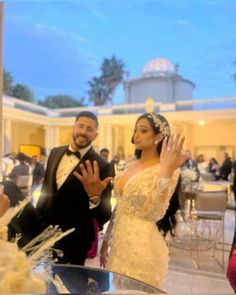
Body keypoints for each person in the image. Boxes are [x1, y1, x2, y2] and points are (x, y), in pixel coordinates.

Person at [78, 112, 187, 289]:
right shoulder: (131, 164)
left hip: (143, 248)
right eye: (135, 130)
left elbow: (155, 213)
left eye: (143, 130)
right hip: (120, 244)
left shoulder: (168, 169)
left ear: (159, 136)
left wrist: (166, 171)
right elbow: (121, 206)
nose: (136, 134)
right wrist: (106, 240)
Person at [36, 111, 114, 265]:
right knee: (44, 282)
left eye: (89, 129)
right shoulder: (55, 152)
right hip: (45, 231)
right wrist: (36, 220)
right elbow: (46, 190)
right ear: (74, 127)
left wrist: (94, 197)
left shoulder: (103, 166)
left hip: (75, 240)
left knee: (69, 286)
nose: (83, 132)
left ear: (95, 135)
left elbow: (104, 216)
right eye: (81, 126)